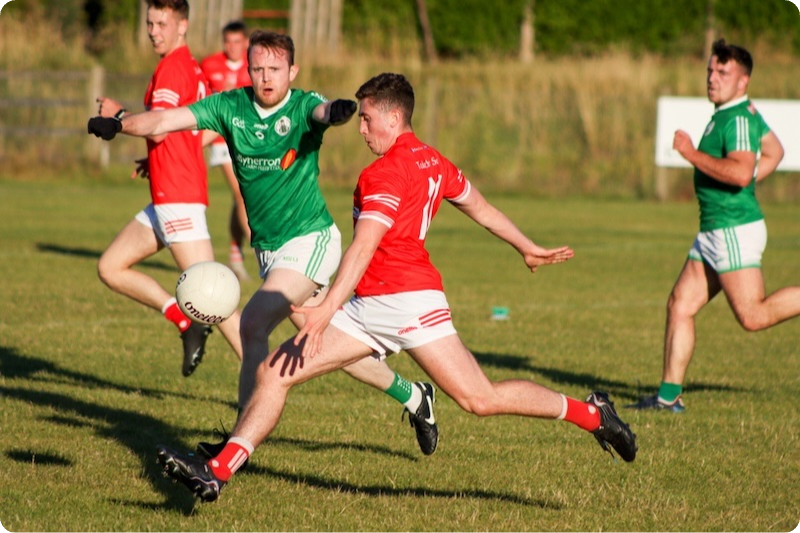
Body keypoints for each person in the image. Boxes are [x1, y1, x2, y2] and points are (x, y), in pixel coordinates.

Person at [151, 72, 638, 503]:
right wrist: (526, 246)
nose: (359, 129)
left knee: (479, 399)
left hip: (407, 302)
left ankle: (592, 414)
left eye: (365, 119)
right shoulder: (433, 159)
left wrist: (324, 311)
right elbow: (481, 206)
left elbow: (363, 247)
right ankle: (216, 472)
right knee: (275, 374)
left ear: (392, 116)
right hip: (370, 306)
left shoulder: (384, 171)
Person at [89, 33, 440, 457]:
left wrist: (337, 112)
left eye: (275, 69)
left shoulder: (300, 105)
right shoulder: (229, 107)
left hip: (311, 241)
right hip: (272, 252)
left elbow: (322, 110)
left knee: (253, 323)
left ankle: (236, 440)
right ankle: (415, 396)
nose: (265, 77)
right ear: (248, 70)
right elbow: (165, 121)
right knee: (327, 341)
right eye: (258, 69)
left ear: (292, 71)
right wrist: (121, 123)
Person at [628, 39, 798, 412]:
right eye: (710, 70)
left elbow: (738, 173)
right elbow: (776, 152)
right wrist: (751, 176)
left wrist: (691, 154)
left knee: (752, 316)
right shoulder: (736, 113)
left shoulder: (737, 118)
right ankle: (668, 398)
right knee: (680, 305)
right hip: (713, 231)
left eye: (723, 72)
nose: (712, 78)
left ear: (743, 81)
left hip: (732, 230)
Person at [93, 0, 242, 377]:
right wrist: (157, 159)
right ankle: (185, 321)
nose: (153, 30)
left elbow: (159, 125)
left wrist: (118, 115)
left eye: (162, 22)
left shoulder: (173, 68)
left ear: (182, 25)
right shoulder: (192, 67)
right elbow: (202, 131)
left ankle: (267, 375)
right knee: (110, 267)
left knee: (217, 302)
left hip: (179, 199)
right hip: (167, 196)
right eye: (150, 22)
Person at [200, 20, 253, 281]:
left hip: (250, 139)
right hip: (220, 140)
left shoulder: (255, 64)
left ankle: (235, 252)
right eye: (227, 41)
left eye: (237, 42)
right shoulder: (209, 64)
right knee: (242, 193)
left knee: (241, 197)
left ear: (245, 42)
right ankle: (262, 249)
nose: (232, 47)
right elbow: (199, 98)